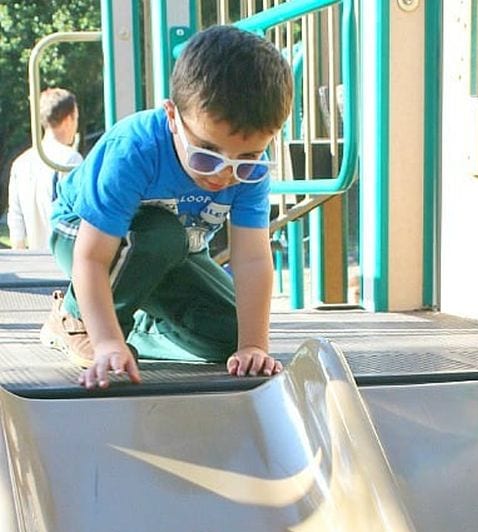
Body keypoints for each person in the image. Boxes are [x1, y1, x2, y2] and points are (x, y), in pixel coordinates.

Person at [40, 25, 293, 389]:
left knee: (231, 333)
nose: (223, 174)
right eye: (207, 156)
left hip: (173, 249)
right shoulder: (135, 150)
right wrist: (105, 341)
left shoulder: (251, 172)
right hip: (82, 234)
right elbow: (91, 257)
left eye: (247, 159)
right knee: (160, 235)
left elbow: (252, 259)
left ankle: (133, 326)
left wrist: (253, 345)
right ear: (172, 116)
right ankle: (74, 319)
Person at [7, 88, 82, 250]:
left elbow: (15, 219)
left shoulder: (21, 163)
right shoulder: (70, 160)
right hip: (63, 255)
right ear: (69, 118)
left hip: (33, 260)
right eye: (76, 118)